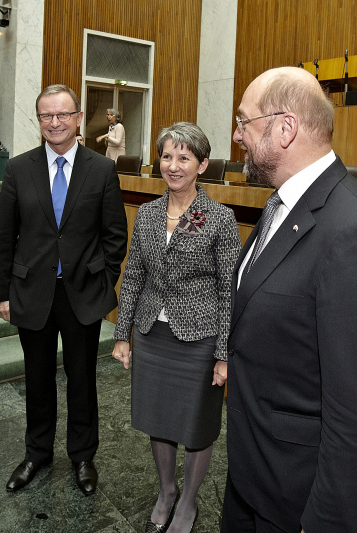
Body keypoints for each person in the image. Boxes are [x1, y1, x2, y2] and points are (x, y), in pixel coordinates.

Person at [220, 66, 357, 533]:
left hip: (302, 502)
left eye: (245, 121)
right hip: (255, 475)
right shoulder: (280, 204)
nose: (236, 134)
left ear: (284, 128)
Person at [0, 84, 128, 496]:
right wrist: (2, 293)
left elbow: (115, 235)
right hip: (31, 292)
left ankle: (83, 456)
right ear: (39, 121)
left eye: (63, 115)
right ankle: (37, 453)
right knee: (37, 378)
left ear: (78, 118)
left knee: (82, 378)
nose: (55, 122)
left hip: (82, 294)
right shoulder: (18, 169)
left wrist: (99, 276)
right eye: (47, 116)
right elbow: (3, 236)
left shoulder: (101, 169)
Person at [112, 122, 240, 533]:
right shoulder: (148, 213)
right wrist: (122, 334)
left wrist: (223, 353)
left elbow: (229, 291)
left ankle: (188, 502)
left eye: (184, 157)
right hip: (152, 335)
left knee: (197, 424)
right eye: (167, 156)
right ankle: (166, 490)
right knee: (159, 418)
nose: (173, 165)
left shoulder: (218, 218)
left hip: (200, 341)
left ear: (202, 164)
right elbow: (134, 276)